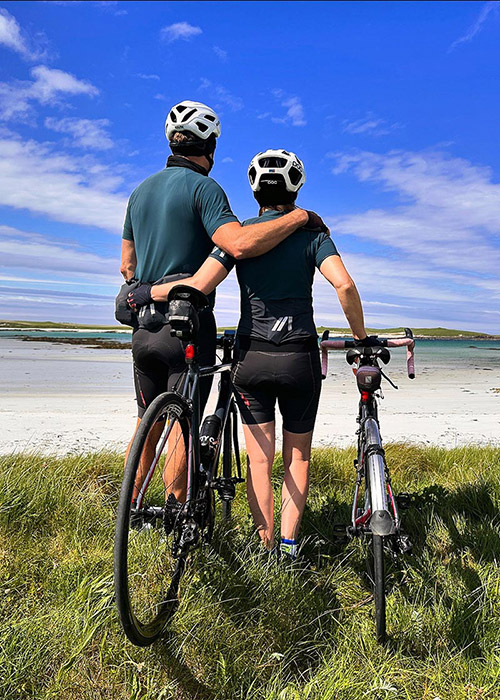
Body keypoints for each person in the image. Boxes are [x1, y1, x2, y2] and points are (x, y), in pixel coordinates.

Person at [129, 148, 377, 561]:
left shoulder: (242, 234)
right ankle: (289, 547)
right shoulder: (314, 236)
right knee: (297, 457)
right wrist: (361, 336)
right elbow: (345, 287)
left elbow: (198, 285)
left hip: (251, 358)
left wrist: (146, 294)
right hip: (299, 358)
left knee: (259, 461)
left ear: (255, 188)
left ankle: (262, 545)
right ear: (296, 187)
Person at [121, 103, 326, 506]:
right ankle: (176, 513)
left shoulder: (139, 192)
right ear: (210, 146)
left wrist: (146, 290)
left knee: (148, 421)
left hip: (144, 325)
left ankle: (132, 510)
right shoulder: (204, 189)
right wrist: (300, 219)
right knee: (185, 422)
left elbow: (127, 265)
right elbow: (238, 244)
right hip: (188, 322)